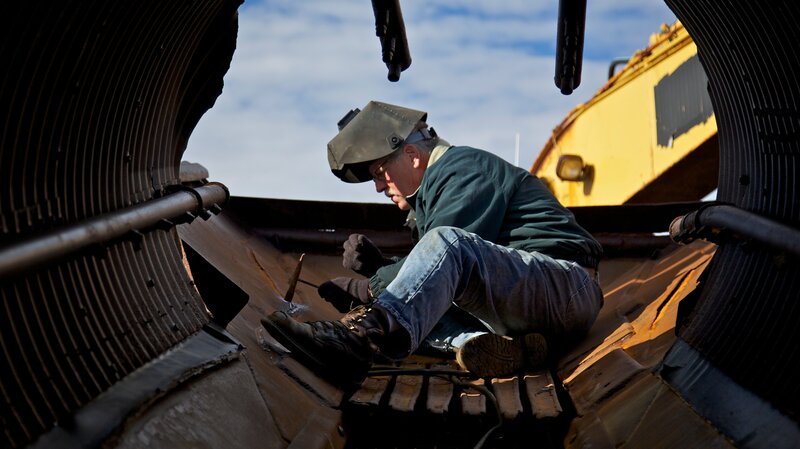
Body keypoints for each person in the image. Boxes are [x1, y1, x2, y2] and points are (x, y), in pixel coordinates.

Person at [261, 100, 603, 385]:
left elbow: (447, 251)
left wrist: (366, 288)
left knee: (442, 248)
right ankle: (495, 346)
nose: (380, 187)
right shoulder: (431, 196)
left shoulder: (463, 169)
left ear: (411, 155)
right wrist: (380, 269)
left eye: (380, 172)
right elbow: (434, 282)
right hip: (526, 305)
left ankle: (357, 340)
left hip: (565, 287)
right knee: (417, 310)